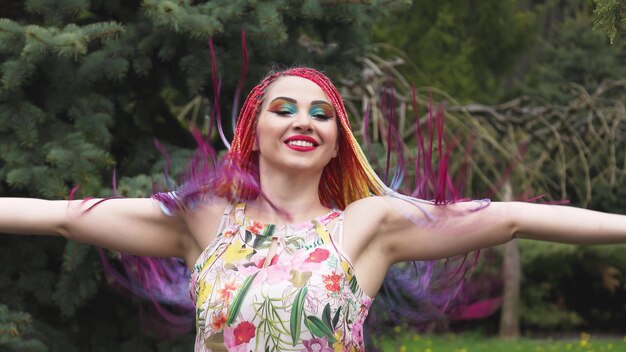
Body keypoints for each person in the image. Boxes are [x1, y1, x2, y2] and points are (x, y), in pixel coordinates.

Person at [1, 67, 625, 352]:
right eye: (285, 108)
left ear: (336, 144)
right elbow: (61, 215)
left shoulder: (369, 225)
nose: (305, 120)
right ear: (253, 132)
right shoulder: (204, 221)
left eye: (322, 113)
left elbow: (514, 217)